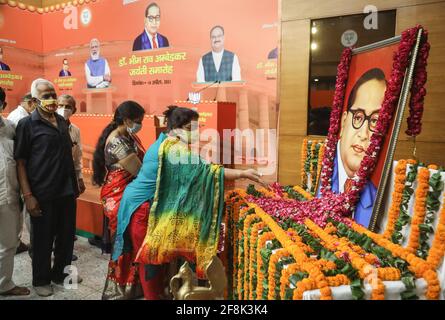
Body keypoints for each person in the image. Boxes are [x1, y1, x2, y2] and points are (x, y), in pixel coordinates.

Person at [112, 106, 264, 300]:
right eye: (194, 126)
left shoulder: (167, 141)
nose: (198, 131)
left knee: (155, 258)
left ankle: (160, 292)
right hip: (142, 208)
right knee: (151, 259)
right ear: (181, 127)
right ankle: (152, 296)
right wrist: (243, 173)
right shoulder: (173, 148)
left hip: (144, 204)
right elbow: (207, 172)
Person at [14, 78, 81, 297]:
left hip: (66, 190)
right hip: (42, 192)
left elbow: (67, 155)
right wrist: (28, 195)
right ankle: (41, 279)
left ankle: (61, 274)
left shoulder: (61, 122)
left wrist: (76, 180)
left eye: (53, 93)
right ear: (34, 100)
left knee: (66, 236)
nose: (52, 99)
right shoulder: (27, 125)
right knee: (42, 240)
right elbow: (21, 162)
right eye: (45, 95)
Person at [92, 101, 146, 300]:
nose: (140, 124)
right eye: (138, 121)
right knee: (124, 243)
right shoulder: (117, 142)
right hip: (118, 196)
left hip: (130, 193)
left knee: (134, 240)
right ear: (126, 120)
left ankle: (134, 286)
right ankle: (118, 290)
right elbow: (139, 170)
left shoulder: (129, 135)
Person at [321, 68, 386, 228]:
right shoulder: (323, 173)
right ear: (343, 123)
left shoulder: (377, 199)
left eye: (375, 122)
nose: (363, 134)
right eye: (358, 117)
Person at [0, 87, 30, 297]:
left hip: (7, 197)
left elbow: (20, 162)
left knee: (8, 244)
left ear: (2, 105)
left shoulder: (10, 128)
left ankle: (4, 284)